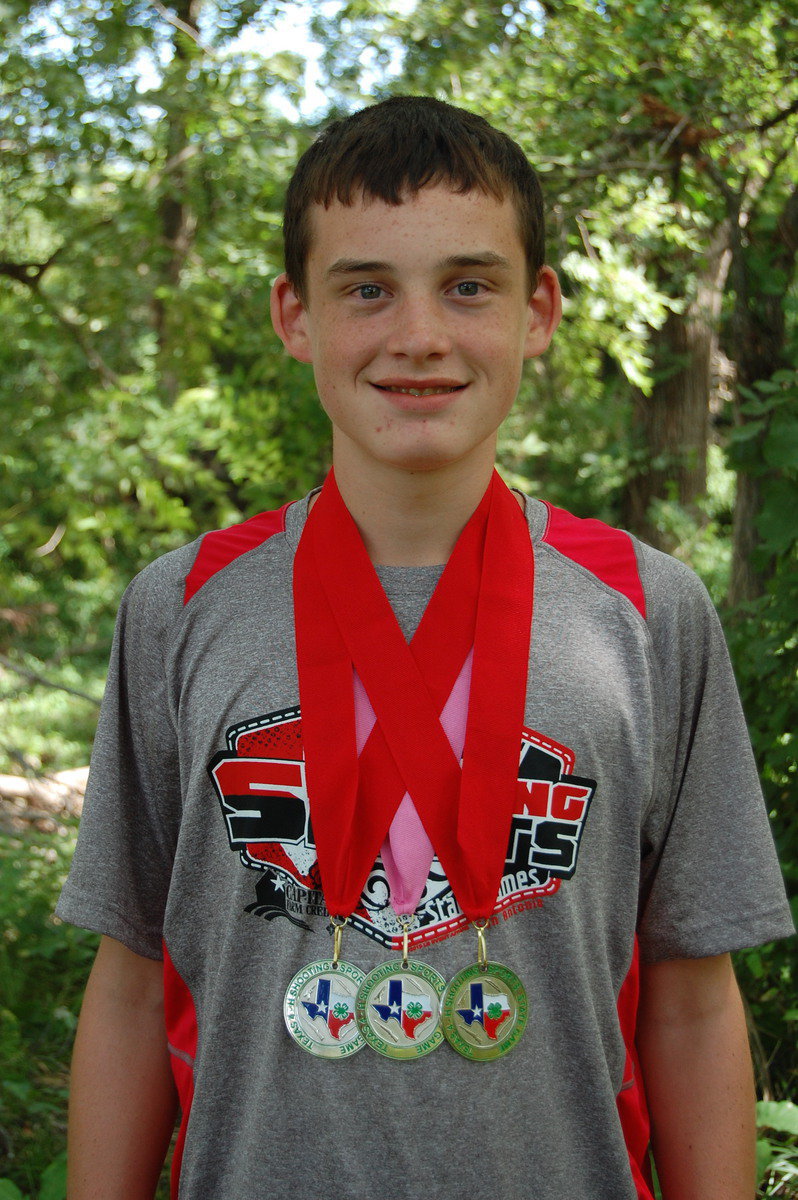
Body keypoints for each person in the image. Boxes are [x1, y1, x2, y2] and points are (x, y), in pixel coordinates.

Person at [58, 96, 793, 1200]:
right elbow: (130, 978)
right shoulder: (182, 604)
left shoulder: (645, 609)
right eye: (365, 289)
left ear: (538, 310)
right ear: (294, 316)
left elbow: (691, 999)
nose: (419, 336)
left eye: (468, 286)